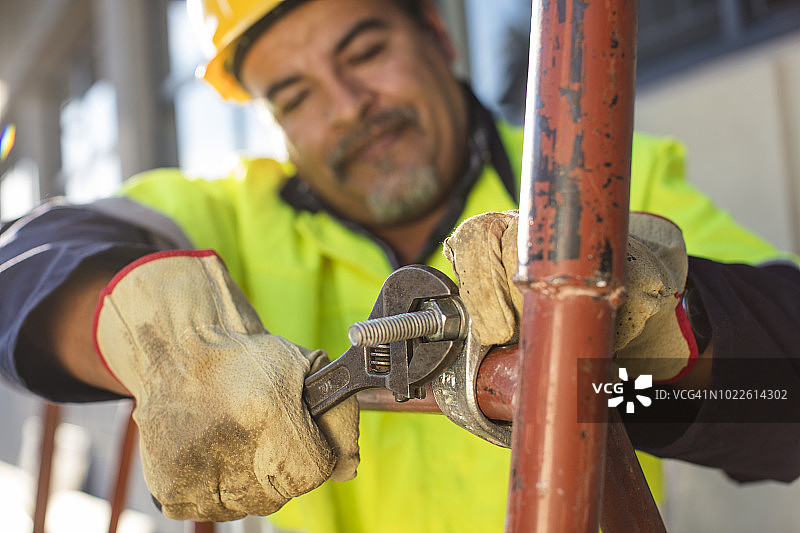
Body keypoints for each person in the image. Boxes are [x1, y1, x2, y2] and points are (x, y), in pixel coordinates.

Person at [1, 0, 799, 530]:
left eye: (366, 50)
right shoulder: (232, 218)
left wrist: (650, 343)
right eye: (297, 96)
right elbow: (26, 258)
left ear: (438, 35)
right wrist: (146, 334)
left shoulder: (601, 178)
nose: (348, 105)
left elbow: (781, 387)